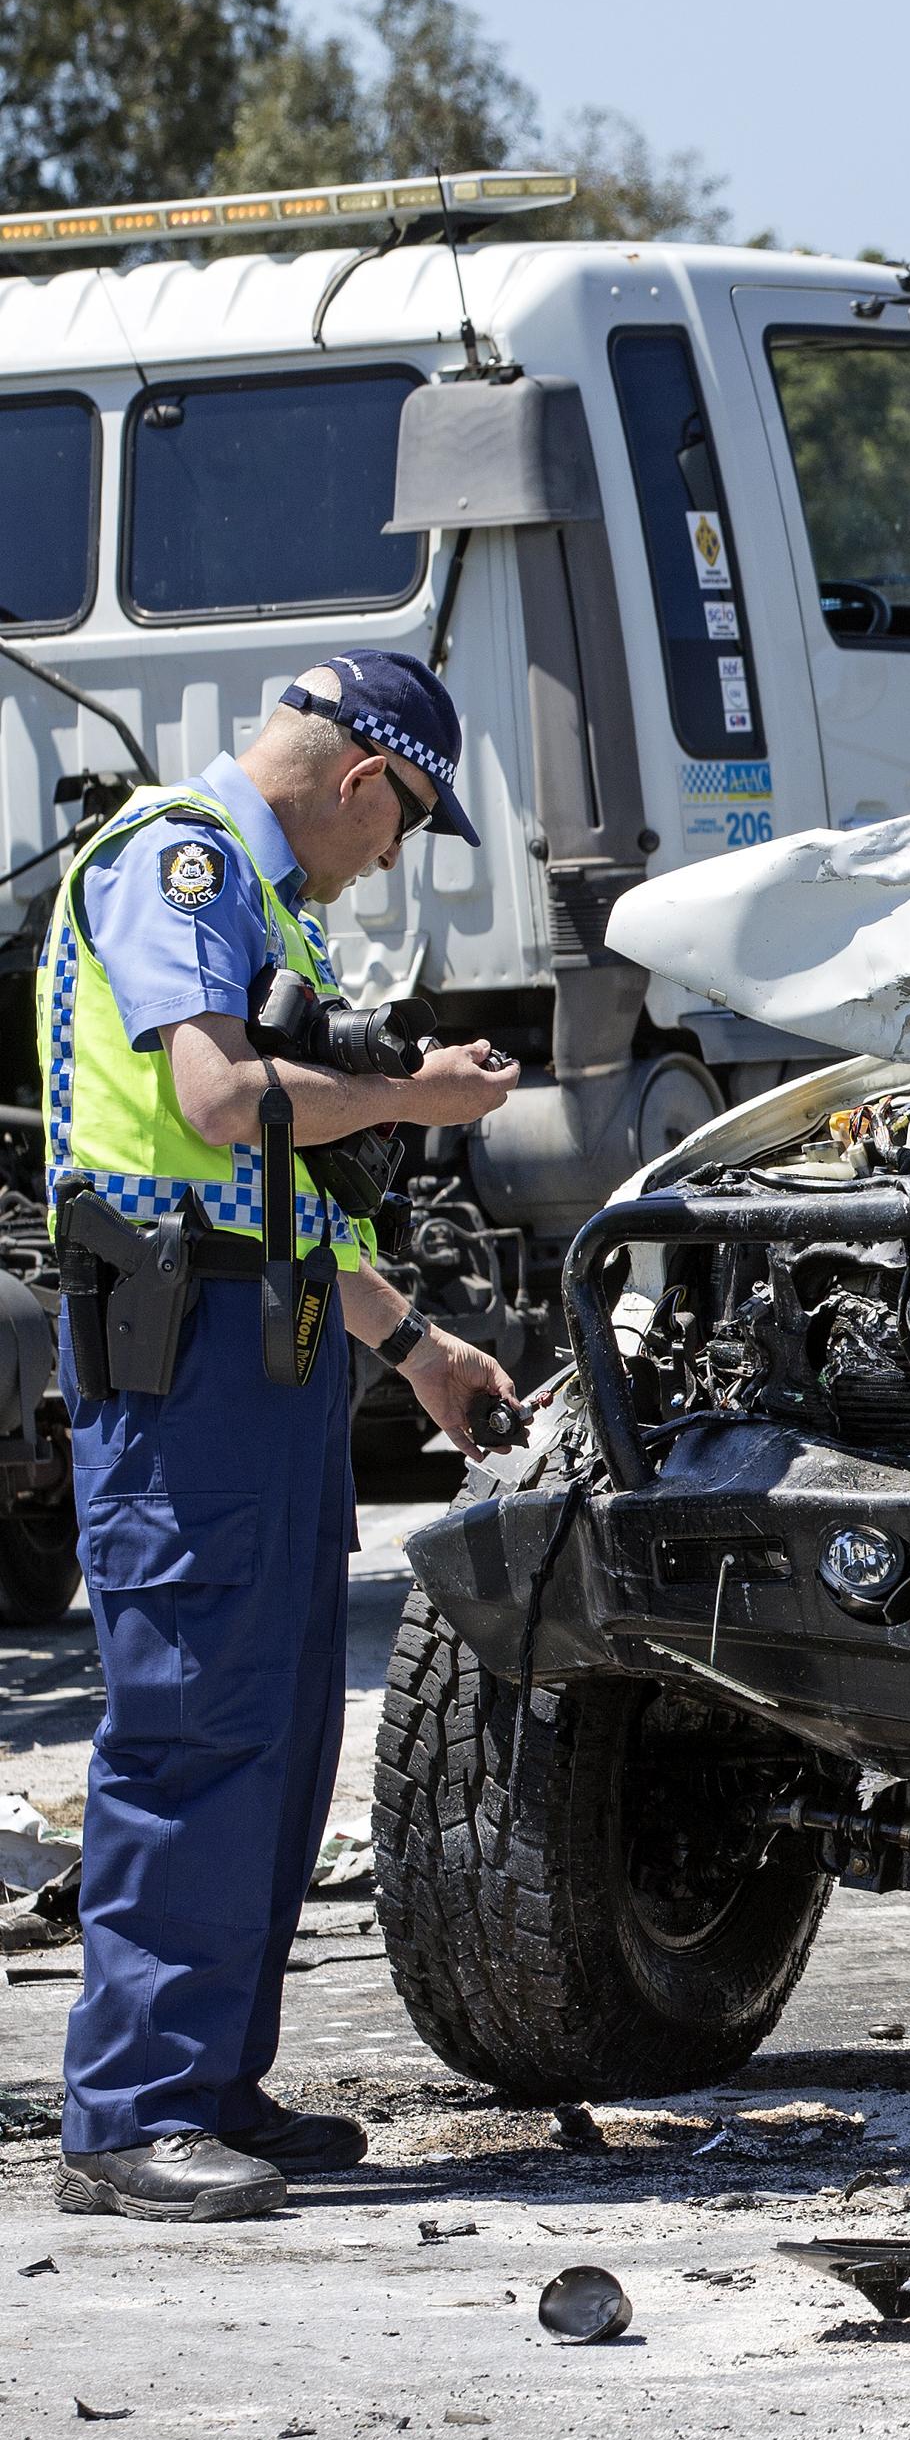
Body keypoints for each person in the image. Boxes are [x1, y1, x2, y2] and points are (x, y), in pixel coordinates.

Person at [48, 650, 519, 2222]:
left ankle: (210, 2080)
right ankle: (133, 2108)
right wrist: (409, 1098)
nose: (390, 857)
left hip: (272, 1352)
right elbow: (216, 1100)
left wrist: (420, 1345)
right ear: (368, 782)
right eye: (405, 827)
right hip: (183, 1362)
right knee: (193, 1719)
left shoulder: (266, 903)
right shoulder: (180, 861)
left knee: (278, 1724)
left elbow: (290, 1197)